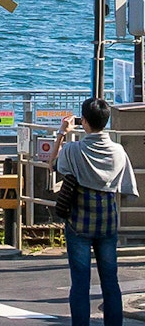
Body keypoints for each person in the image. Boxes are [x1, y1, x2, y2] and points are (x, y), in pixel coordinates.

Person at [50, 98, 139, 326]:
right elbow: (126, 186)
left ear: (85, 121)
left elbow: (52, 164)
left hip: (78, 221)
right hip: (108, 220)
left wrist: (62, 133)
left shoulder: (74, 149)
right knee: (110, 281)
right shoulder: (118, 151)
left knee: (80, 283)